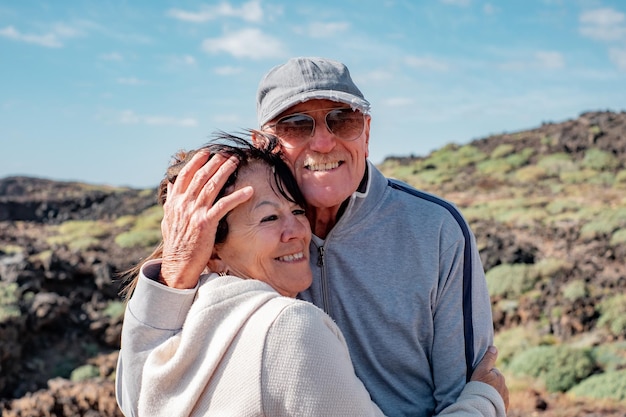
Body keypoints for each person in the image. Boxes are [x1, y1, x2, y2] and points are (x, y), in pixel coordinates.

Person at [115, 133, 507, 417]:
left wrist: (174, 277)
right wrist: (482, 402)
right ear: (212, 251)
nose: (298, 231)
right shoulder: (290, 328)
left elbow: (138, 401)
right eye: (269, 217)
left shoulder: (187, 323)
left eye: (297, 210)